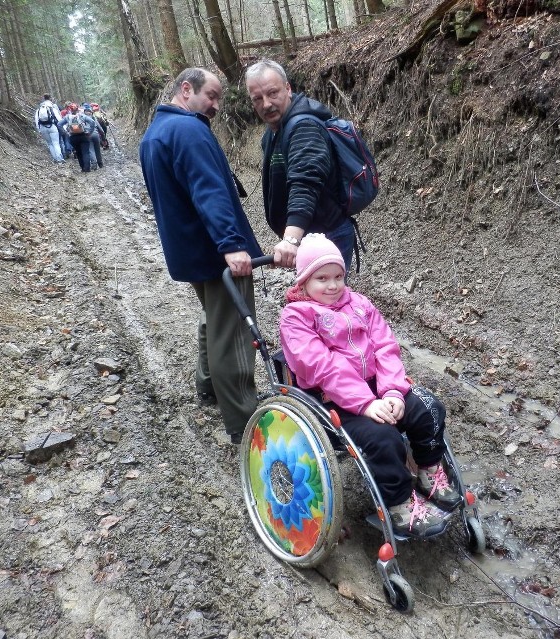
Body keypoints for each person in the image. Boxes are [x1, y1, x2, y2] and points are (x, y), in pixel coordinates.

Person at [279, 234, 462, 536]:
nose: (333, 285)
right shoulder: (296, 318)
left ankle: (429, 470)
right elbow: (323, 367)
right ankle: (400, 503)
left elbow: (385, 347)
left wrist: (392, 391)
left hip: (379, 385)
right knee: (383, 439)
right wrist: (366, 403)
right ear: (303, 282)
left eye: (338, 276)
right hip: (333, 399)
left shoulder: (360, 304)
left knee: (429, 409)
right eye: (322, 278)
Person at [139, 67, 274, 444]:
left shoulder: (155, 134)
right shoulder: (188, 130)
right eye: (211, 96)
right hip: (216, 251)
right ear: (186, 89)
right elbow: (209, 191)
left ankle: (210, 387)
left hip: (192, 250)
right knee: (232, 332)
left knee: (215, 320)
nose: (215, 105)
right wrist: (232, 244)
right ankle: (244, 422)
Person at [245, 59, 357, 272]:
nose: (266, 104)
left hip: (326, 237)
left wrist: (291, 240)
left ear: (288, 88)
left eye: (273, 93)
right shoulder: (275, 130)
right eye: (257, 98)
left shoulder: (304, 127)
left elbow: (305, 183)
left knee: (325, 302)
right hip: (310, 236)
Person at [57, 103, 99, 172]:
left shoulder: (67, 117)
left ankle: (82, 168)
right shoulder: (82, 116)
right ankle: (87, 168)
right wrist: (89, 131)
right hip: (83, 135)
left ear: (70, 109)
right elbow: (92, 122)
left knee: (78, 152)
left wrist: (66, 133)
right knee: (85, 152)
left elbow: (59, 124)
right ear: (77, 109)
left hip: (73, 137)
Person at [33, 94, 63, 164]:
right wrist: (63, 127)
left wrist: (39, 130)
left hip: (43, 128)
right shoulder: (51, 107)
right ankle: (60, 159)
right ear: (50, 98)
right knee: (56, 143)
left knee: (50, 144)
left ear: (43, 99)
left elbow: (36, 120)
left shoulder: (39, 109)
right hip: (52, 126)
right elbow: (59, 118)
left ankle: (55, 159)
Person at [82, 104, 105, 169]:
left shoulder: (82, 119)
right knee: (97, 150)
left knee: (91, 150)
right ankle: (100, 164)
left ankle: (94, 164)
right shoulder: (93, 118)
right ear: (91, 112)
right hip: (96, 134)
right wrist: (103, 138)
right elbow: (100, 128)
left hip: (87, 135)